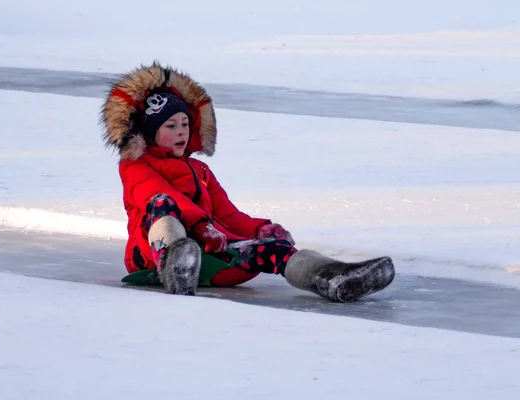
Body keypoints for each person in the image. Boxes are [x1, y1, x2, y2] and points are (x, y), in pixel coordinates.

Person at [100, 62, 394, 301]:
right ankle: (175, 261)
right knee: (161, 203)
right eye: (171, 126)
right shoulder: (135, 166)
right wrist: (202, 228)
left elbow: (228, 215)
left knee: (273, 247)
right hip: (150, 258)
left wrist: (261, 229)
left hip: (208, 256)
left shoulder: (199, 170)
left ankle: (331, 278)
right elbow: (157, 192)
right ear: (150, 133)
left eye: (186, 124)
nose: (181, 132)